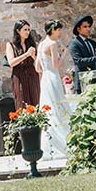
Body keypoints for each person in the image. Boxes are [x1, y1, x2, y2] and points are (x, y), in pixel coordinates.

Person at [36, 20, 73, 159]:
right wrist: (64, 53)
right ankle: (63, 143)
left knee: (49, 110)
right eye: (58, 30)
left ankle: (49, 146)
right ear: (52, 30)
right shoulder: (52, 44)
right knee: (59, 107)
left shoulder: (41, 45)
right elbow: (56, 65)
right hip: (53, 77)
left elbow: (37, 68)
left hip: (45, 79)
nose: (59, 32)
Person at [69, 15, 96, 93]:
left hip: (95, 80)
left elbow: (95, 60)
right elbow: (79, 61)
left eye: (89, 26)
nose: (88, 29)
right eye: (85, 27)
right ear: (78, 29)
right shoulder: (74, 44)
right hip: (83, 82)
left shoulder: (92, 43)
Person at [5, 20, 40, 109]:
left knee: (35, 99)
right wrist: (26, 54)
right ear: (18, 31)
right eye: (25, 30)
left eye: (28, 30)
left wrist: (34, 56)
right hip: (19, 75)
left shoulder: (31, 44)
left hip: (32, 75)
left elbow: (38, 63)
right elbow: (11, 63)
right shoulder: (10, 45)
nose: (27, 32)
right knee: (21, 100)